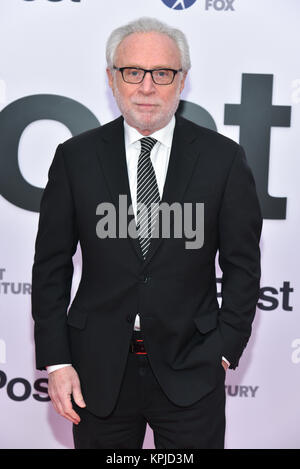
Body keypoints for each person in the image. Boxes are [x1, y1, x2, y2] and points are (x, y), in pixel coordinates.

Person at [31, 17, 262, 449]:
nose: (147, 87)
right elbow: (50, 267)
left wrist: (225, 347)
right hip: (96, 371)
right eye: (133, 72)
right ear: (111, 79)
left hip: (192, 367)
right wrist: (57, 361)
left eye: (162, 73)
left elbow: (243, 266)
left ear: (182, 80)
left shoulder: (223, 160)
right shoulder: (74, 158)